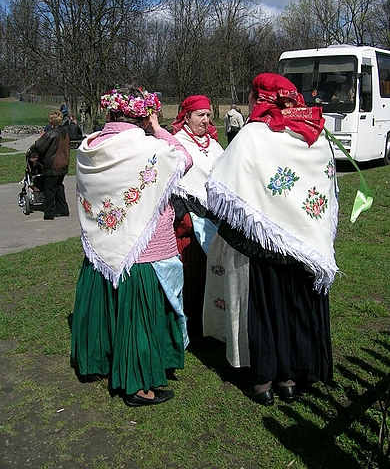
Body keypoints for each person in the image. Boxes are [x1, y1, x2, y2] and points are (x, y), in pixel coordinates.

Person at [205, 73, 339, 406]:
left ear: (258, 98)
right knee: (296, 306)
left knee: (264, 308)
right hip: (306, 241)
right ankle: (291, 378)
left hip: (265, 244)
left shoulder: (252, 135)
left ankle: (263, 379)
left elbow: (221, 186)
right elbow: (326, 186)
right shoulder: (316, 133)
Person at [71, 86, 193, 407]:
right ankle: (138, 384)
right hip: (141, 252)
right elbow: (184, 159)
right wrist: (157, 129)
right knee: (139, 315)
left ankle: (100, 361)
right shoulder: (145, 146)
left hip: (102, 246)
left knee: (109, 309)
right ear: (143, 112)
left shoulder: (90, 147)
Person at [170, 95, 224, 341]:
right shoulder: (175, 144)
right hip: (189, 221)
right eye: (200, 115)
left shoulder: (213, 144)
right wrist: (186, 218)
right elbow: (172, 186)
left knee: (214, 274)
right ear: (187, 116)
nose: (205, 120)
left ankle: (213, 323)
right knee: (192, 276)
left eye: (208, 115)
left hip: (215, 218)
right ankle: (192, 327)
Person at [29, 109, 70, 220]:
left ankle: (49, 213)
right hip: (63, 164)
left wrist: (40, 138)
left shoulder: (50, 134)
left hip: (53, 165)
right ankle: (63, 209)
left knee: (50, 189)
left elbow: (39, 146)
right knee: (59, 187)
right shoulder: (64, 131)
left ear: (51, 121)